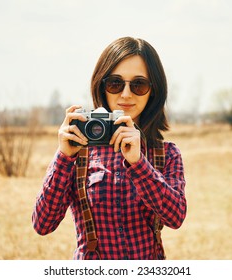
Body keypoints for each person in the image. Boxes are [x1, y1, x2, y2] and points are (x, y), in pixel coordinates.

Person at [32, 37, 187, 260]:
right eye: (115, 83)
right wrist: (64, 157)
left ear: (153, 91)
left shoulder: (166, 154)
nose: (125, 94)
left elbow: (176, 218)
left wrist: (139, 163)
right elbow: (43, 224)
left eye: (139, 85)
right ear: (101, 85)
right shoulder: (79, 150)